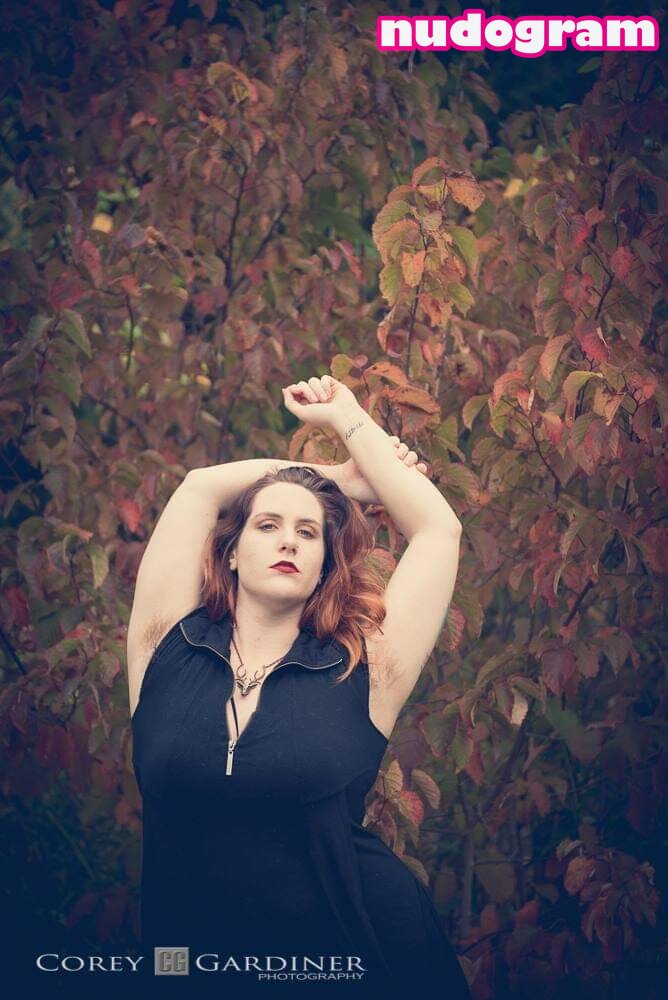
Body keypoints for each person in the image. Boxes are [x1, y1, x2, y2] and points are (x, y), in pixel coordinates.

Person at [127, 374, 468, 996]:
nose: (288, 538)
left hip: (354, 963)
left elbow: (437, 530)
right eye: (267, 525)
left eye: (308, 532)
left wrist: (347, 418)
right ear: (231, 552)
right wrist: (339, 479)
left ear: (322, 567)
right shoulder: (166, 650)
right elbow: (200, 486)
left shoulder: (363, 670)